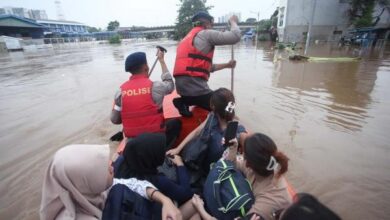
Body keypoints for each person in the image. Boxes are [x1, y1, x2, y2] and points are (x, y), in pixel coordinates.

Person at [40, 144, 182, 220]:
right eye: (100, 168)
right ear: (85, 181)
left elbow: (133, 183)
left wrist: (165, 200)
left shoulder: (88, 192)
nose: (111, 165)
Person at [173, 11, 241, 117]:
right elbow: (235, 36)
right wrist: (233, 22)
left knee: (202, 98)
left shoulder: (186, 39)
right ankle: (231, 121)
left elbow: (205, 68)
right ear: (206, 24)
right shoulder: (206, 34)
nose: (212, 27)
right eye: (211, 25)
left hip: (183, 91)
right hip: (196, 91)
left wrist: (227, 65)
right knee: (228, 100)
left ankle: (183, 101)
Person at [110, 49, 181, 147]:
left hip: (132, 145)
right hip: (156, 142)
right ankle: (165, 151)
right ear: (146, 67)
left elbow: (115, 120)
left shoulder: (120, 92)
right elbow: (170, 85)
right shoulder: (156, 86)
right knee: (175, 123)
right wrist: (161, 61)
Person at [167, 88, 247, 172]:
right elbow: (196, 132)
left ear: (213, 107)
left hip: (216, 170)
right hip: (202, 160)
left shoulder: (237, 131)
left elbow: (249, 143)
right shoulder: (212, 116)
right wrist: (177, 149)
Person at [224, 133, 293, 220]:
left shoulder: (268, 202)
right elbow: (234, 164)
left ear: (248, 163)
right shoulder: (264, 165)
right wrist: (233, 148)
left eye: (243, 154)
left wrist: (200, 207)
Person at [115, 133, 194, 206]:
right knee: (196, 199)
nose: (163, 154)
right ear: (149, 159)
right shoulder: (156, 180)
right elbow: (186, 194)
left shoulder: (122, 161)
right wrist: (180, 164)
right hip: (155, 210)